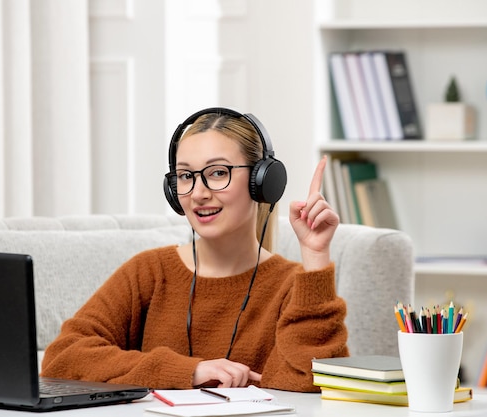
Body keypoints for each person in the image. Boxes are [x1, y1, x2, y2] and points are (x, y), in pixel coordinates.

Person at [41, 108, 349, 392]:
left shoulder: (293, 286)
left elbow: (316, 384)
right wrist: (190, 370)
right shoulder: (148, 272)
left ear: (262, 182)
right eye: (186, 176)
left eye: (218, 173)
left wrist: (315, 257)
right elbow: (63, 357)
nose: (199, 193)